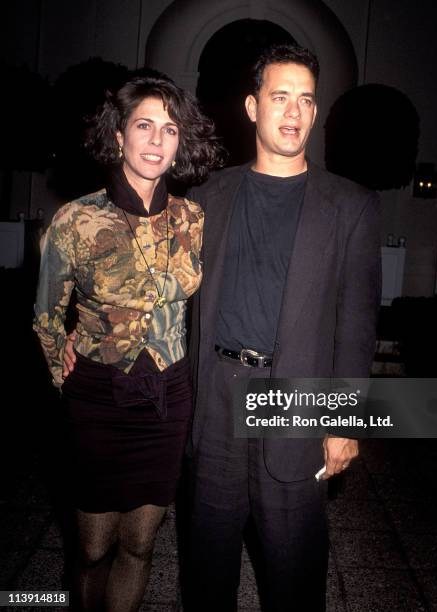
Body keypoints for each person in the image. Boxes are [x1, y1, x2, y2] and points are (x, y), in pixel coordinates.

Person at [184, 44, 381, 611]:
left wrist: (346, 422)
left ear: (314, 113)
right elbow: (164, 294)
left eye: (305, 100)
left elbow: (357, 325)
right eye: (279, 97)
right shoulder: (208, 198)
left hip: (295, 402)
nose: (293, 112)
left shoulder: (351, 206)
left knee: (294, 580)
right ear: (252, 107)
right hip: (217, 398)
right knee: (205, 574)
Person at [33, 71, 222, 612]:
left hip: (168, 398)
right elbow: (45, 315)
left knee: (140, 543)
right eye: (145, 126)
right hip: (96, 397)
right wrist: (60, 370)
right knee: (94, 547)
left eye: (169, 130)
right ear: (119, 135)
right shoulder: (75, 220)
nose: (157, 141)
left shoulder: (194, 219)